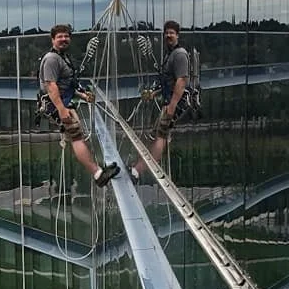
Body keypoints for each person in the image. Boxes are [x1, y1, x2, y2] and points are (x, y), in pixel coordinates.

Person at [39, 24, 120, 187]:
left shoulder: (63, 57)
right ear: (53, 39)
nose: (64, 39)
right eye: (60, 36)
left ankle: (98, 170)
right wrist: (61, 110)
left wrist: (82, 95)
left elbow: (65, 85)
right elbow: (51, 86)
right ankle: (98, 175)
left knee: (79, 137)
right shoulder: (52, 59)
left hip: (63, 103)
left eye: (66, 36)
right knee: (77, 138)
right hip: (59, 106)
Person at [130, 19, 189, 181]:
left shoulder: (179, 54)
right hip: (169, 101)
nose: (168, 35)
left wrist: (172, 107)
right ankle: (140, 167)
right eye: (167, 33)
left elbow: (181, 81)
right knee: (157, 134)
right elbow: (167, 82)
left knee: (160, 135)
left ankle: (137, 171)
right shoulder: (169, 55)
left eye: (172, 33)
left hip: (174, 102)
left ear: (177, 35)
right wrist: (153, 94)